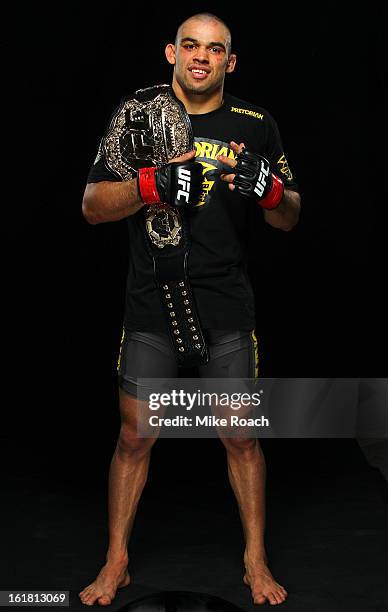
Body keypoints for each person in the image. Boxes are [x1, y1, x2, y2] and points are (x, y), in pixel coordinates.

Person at [79, 12, 300, 607]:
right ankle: (117, 559)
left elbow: (290, 217)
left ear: (231, 62)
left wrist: (271, 192)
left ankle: (255, 560)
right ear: (171, 53)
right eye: (190, 45)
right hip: (151, 301)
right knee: (134, 436)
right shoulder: (136, 118)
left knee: (241, 438)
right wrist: (151, 185)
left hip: (227, 302)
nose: (201, 56)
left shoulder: (255, 124)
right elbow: (93, 205)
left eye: (215, 49)